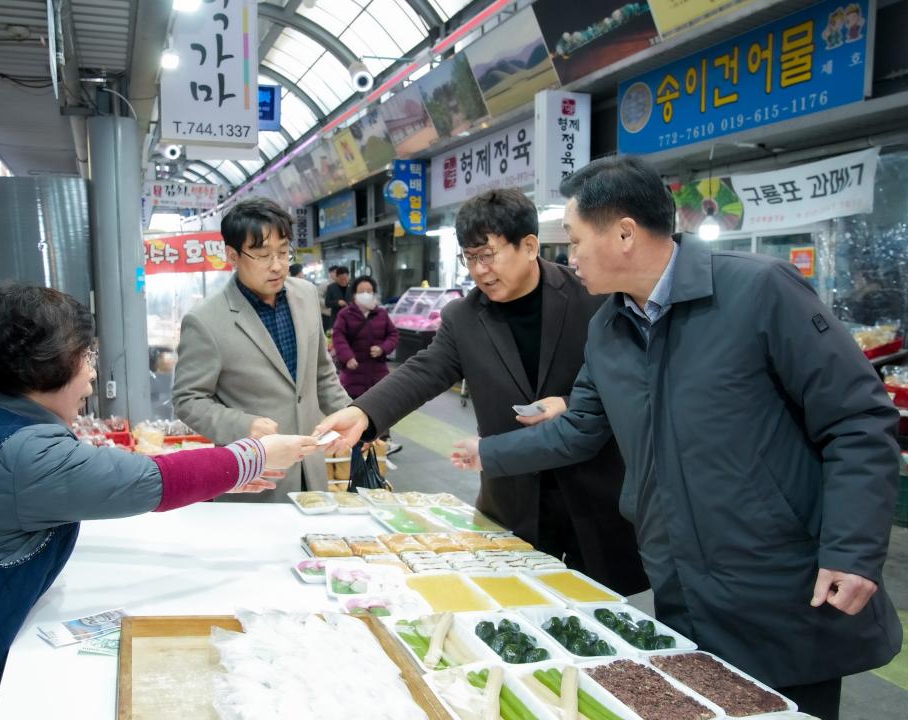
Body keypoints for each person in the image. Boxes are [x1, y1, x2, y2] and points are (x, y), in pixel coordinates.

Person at [450, 156, 901, 720]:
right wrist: (489, 452)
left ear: (624, 234)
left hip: (778, 583)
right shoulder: (609, 327)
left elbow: (857, 418)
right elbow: (581, 426)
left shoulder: (758, 291)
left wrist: (852, 550)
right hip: (681, 585)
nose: (570, 256)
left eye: (576, 239)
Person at [0, 284, 319, 718]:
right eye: (87, 355)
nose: (92, 373)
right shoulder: (26, 454)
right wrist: (253, 456)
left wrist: (230, 474)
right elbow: (150, 479)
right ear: (48, 364)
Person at [315, 188, 647, 594]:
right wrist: (364, 413)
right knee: (514, 607)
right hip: (513, 501)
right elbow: (425, 370)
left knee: (603, 614)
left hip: (593, 497)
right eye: (469, 258)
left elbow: (632, 380)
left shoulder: (593, 297)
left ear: (529, 246)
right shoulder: (464, 316)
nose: (479, 270)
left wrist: (570, 404)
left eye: (487, 255)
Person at [173, 199, 350, 500]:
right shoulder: (206, 320)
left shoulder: (306, 295)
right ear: (233, 255)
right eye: (263, 255)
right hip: (255, 478)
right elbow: (188, 399)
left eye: (283, 252)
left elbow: (321, 372)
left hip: (312, 472)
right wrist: (244, 425)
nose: (277, 265)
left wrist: (351, 415)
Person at [331, 275, 401, 453]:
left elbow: (393, 335)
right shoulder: (345, 314)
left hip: (378, 372)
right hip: (353, 373)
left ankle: (384, 443)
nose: (366, 294)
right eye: (361, 291)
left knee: (381, 406)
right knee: (356, 408)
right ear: (354, 294)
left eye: (369, 291)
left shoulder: (381, 314)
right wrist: (347, 356)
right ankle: (356, 444)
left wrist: (383, 348)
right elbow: (338, 336)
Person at [320, 265, 338, 331]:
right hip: (327, 314)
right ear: (330, 273)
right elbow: (318, 297)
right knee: (328, 332)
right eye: (335, 272)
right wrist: (326, 304)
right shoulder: (324, 284)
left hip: (338, 314)